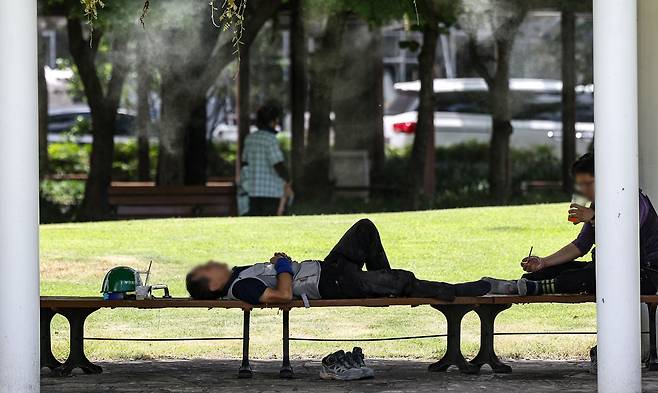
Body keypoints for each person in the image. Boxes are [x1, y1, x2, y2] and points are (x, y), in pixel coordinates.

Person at [185, 218, 491, 304]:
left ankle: (384, 285)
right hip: (332, 284)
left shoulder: (240, 275)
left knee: (365, 229)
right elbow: (281, 295)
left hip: (329, 269)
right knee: (403, 279)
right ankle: (456, 290)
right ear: (212, 283)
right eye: (207, 267)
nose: (212, 261)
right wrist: (281, 266)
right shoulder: (241, 288)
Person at [485, 153, 658, 296]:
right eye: (580, 185)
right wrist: (543, 262)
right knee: (551, 272)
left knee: (592, 276)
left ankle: (532, 288)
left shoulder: (632, 199)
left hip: (644, 274)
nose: (584, 191)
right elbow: (581, 245)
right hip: (610, 269)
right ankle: (520, 285)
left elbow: (625, 237)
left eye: (588, 184)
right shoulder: (598, 205)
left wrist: (594, 218)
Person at [240, 102, 293, 216]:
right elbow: (277, 164)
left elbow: (244, 164)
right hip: (271, 192)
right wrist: (288, 179)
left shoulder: (249, 139)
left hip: (253, 190)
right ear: (272, 121)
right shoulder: (270, 139)